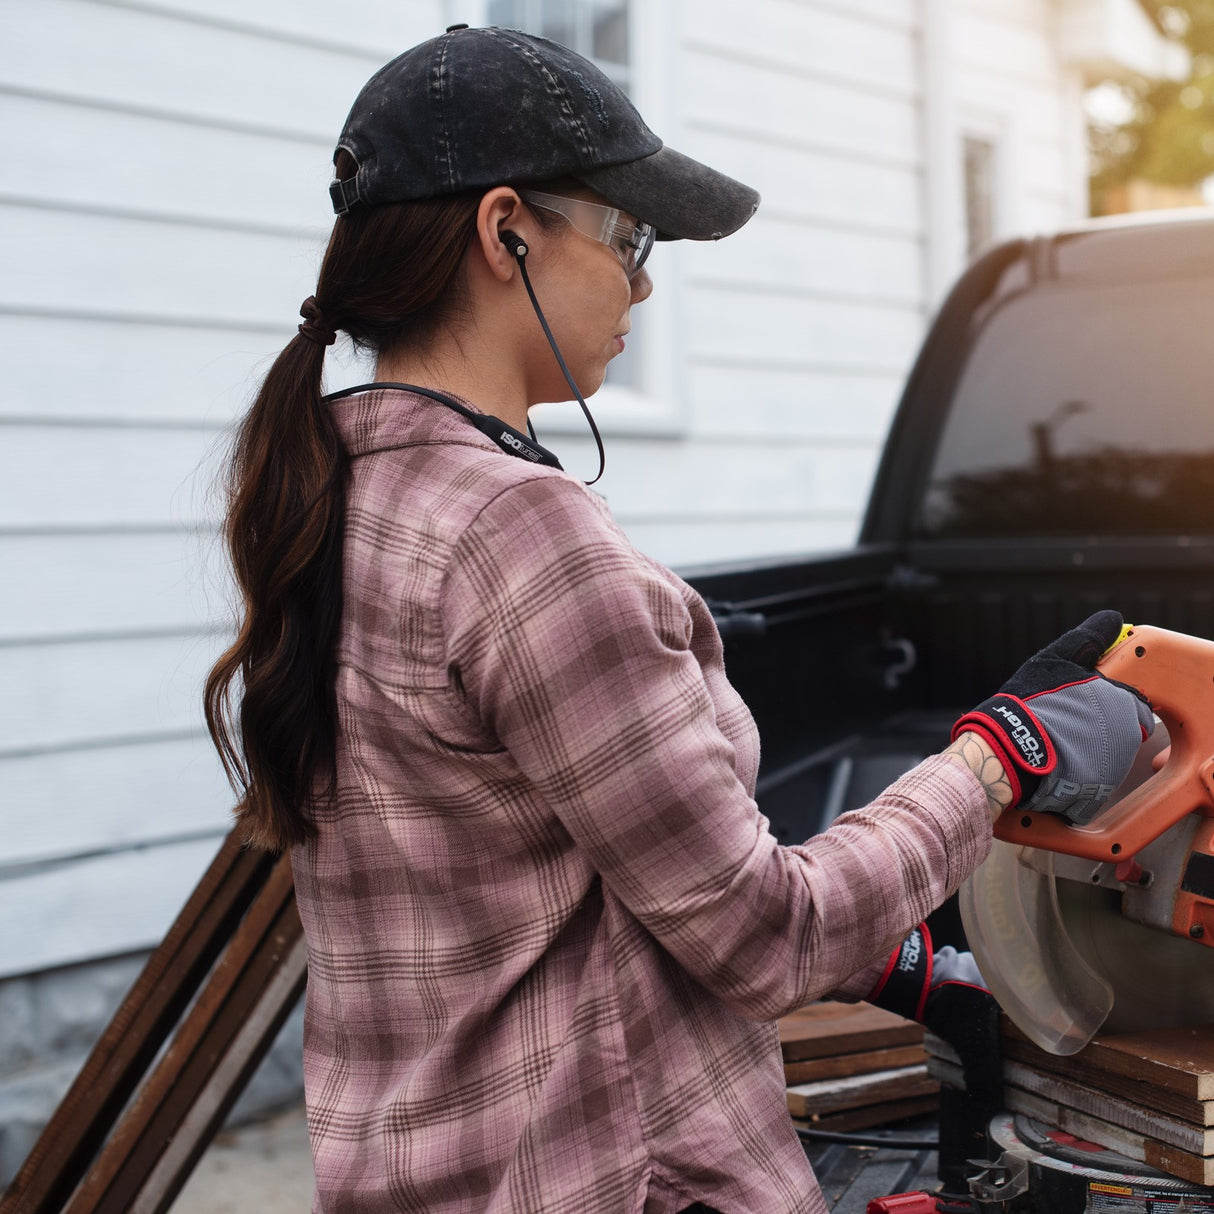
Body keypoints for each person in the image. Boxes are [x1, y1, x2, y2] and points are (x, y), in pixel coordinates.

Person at [204, 25, 1153, 1214]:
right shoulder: (518, 538)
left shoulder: (338, 491)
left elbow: (542, 877)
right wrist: (1002, 752)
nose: (643, 281)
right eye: (628, 236)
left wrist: (892, 954)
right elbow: (764, 937)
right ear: (505, 230)